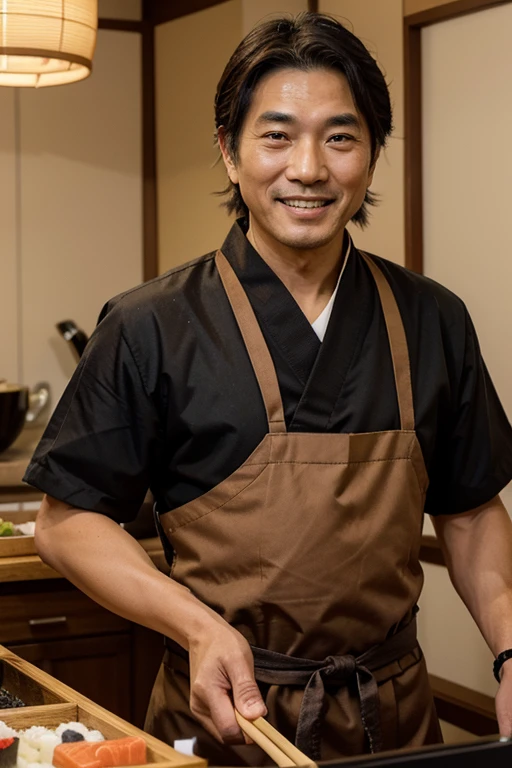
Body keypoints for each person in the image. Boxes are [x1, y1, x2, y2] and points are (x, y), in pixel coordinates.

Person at [26, 11, 512, 765]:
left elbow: (472, 510)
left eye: (341, 137)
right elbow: (66, 523)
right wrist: (196, 626)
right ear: (229, 150)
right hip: (223, 720)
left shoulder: (431, 318)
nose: (310, 167)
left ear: (372, 157)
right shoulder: (152, 324)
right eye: (277, 135)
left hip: (397, 727)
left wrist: (510, 650)